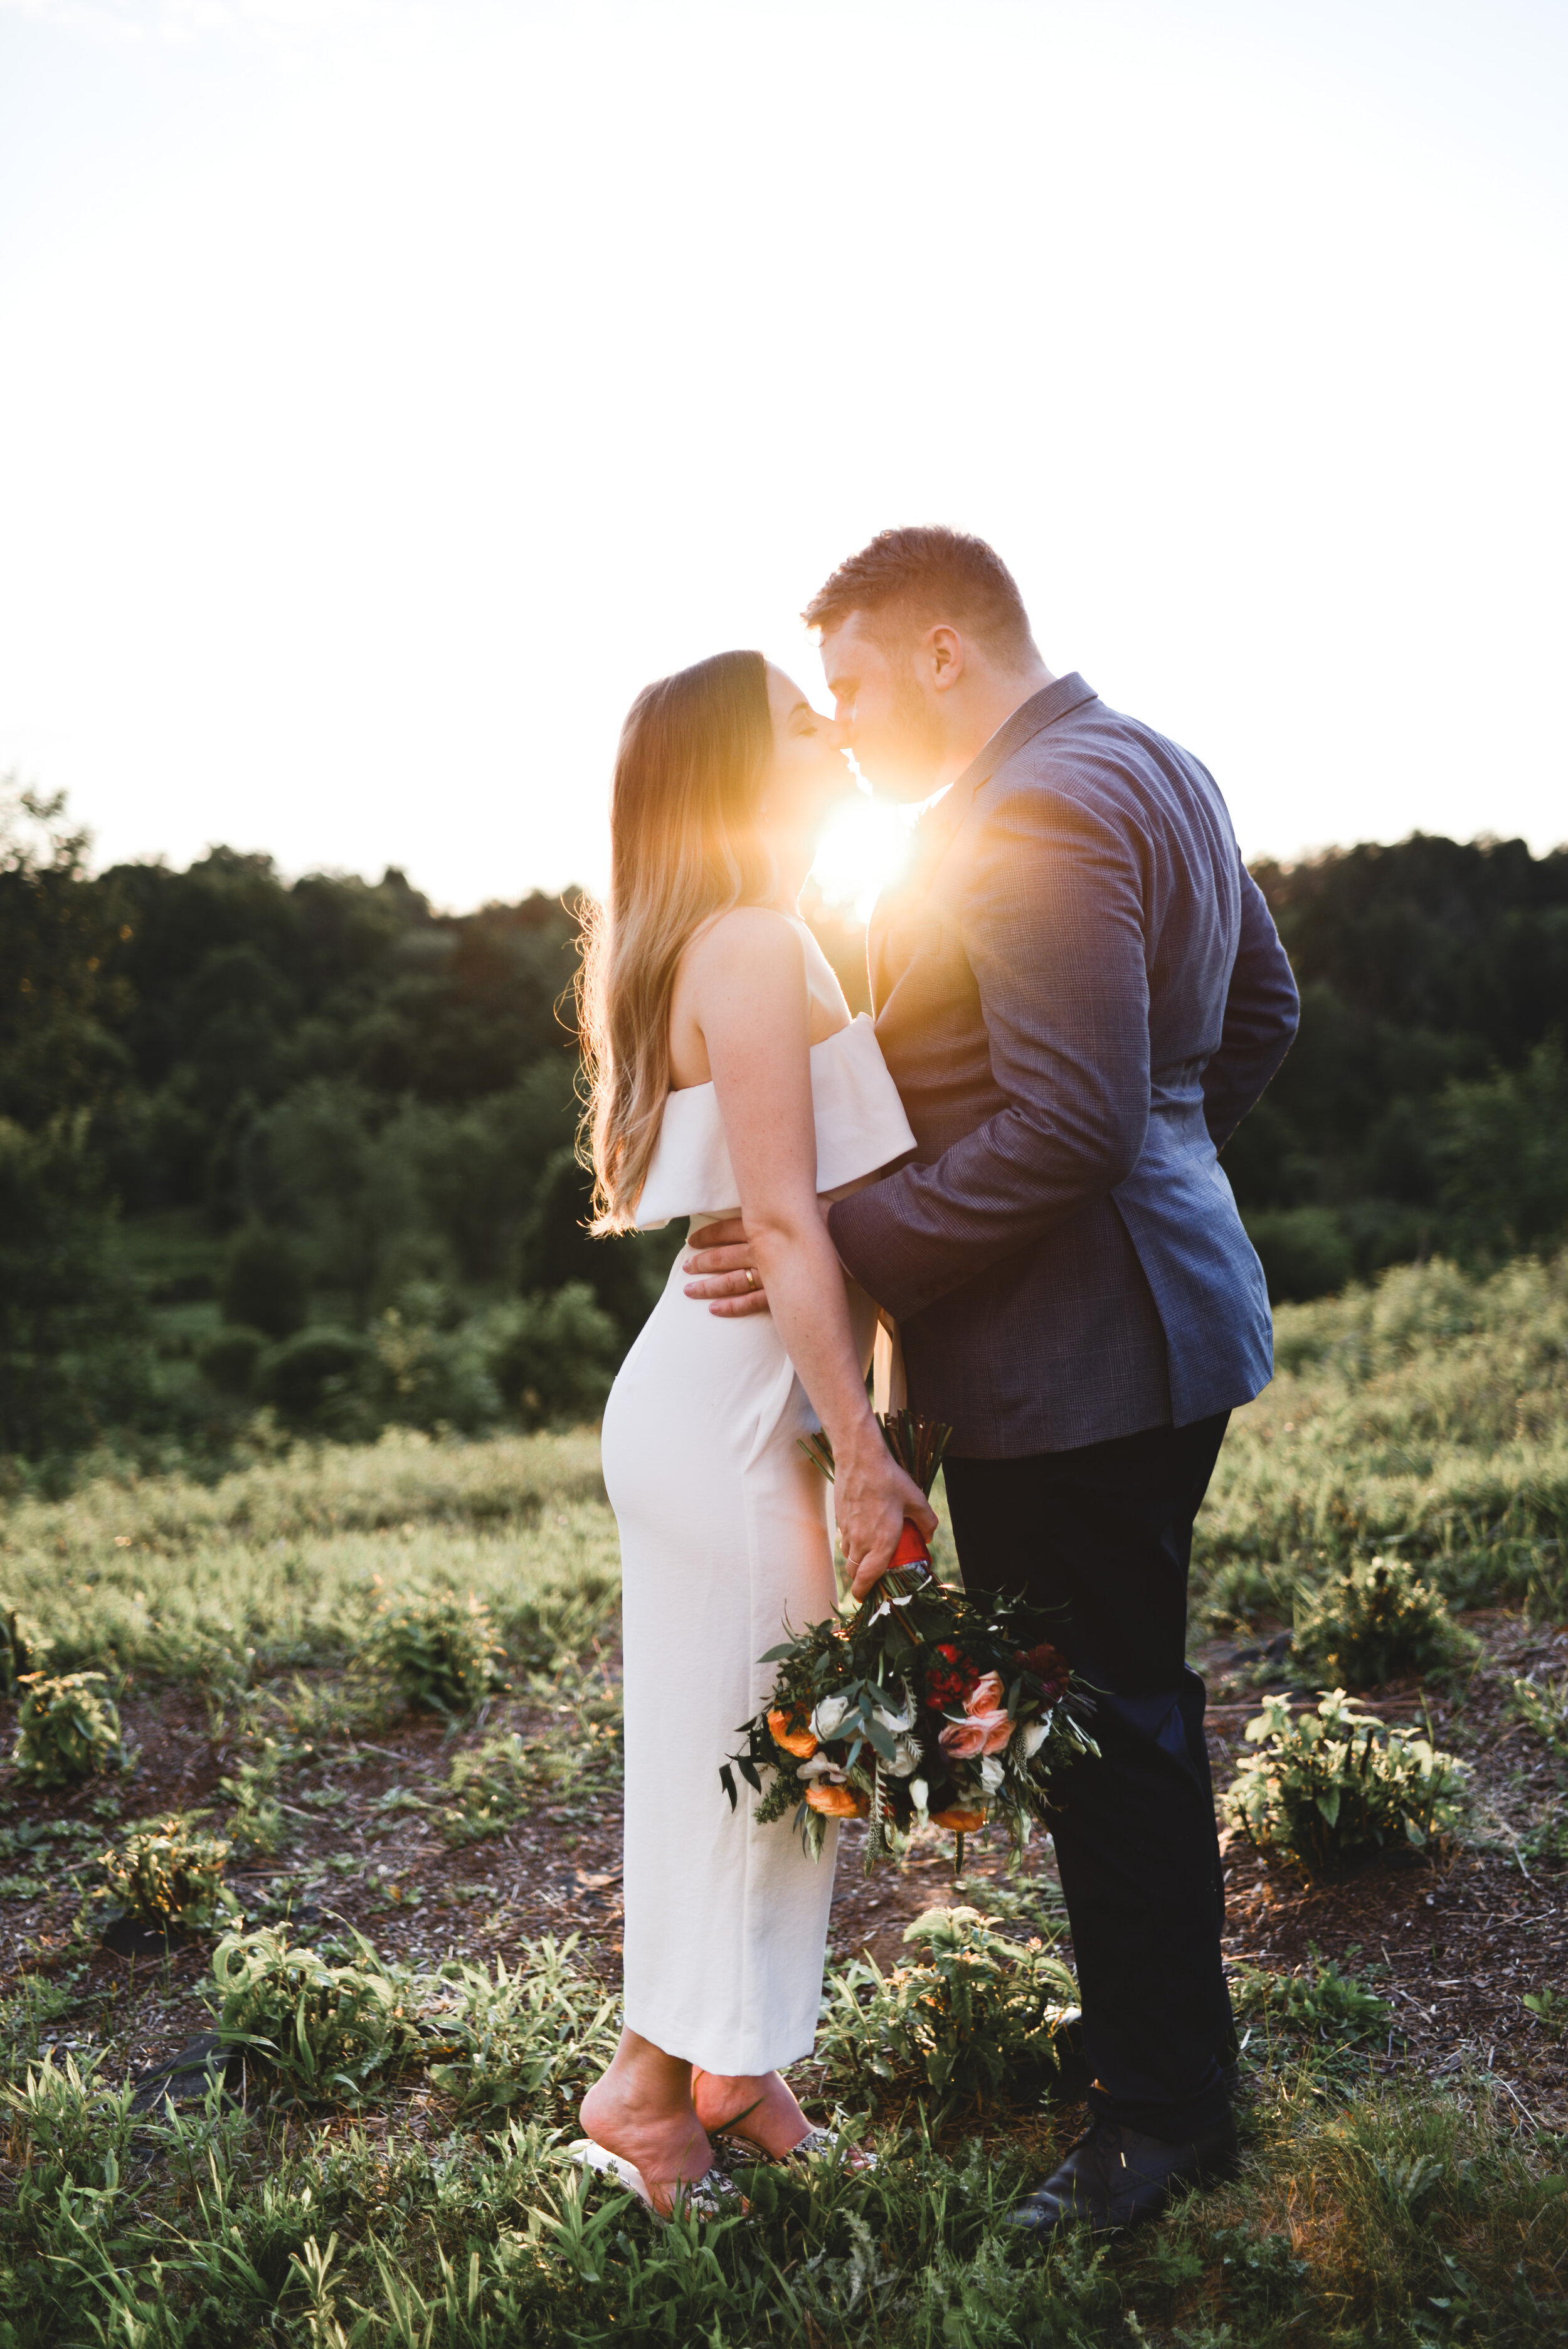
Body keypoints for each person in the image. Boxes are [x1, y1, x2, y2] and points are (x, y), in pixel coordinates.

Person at [683, 526, 1300, 2235]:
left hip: (1075, 1362)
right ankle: (1158, 2041)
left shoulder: (1025, 811)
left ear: (945, 650)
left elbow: (1073, 1120)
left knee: (1105, 1726)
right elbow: (1258, 1013)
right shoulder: (1158, 764)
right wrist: (1162, 1189)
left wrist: (838, 1236)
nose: (846, 723)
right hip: (1149, 1323)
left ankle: (1159, 2117)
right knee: (1120, 1703)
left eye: (856, 684)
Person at [573, 649, 935, 2216]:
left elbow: (801, 1215)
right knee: (760, 1756)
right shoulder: (747, 940)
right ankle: (646, 2094)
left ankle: (739, 2065)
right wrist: (865, 1447)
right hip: (731, 1417)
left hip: (730, 1396)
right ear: (739, 766)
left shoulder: (749, 937)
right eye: (800, 719)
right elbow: (787, 1223)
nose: (831, 729)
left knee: (786, 1750)